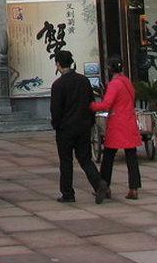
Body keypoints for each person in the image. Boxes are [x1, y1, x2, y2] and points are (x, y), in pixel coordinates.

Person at [49, 50, 106, 204]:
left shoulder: (58, 85)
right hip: (83, 126)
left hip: (65, 129)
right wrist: (91, 122)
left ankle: (68, 193)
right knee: (85, 158)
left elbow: (55, 110)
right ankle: (99, 183)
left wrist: (56, 125)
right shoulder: (83, 81)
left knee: (66, 161)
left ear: (58, 64)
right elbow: (91, 102)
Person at [91, 57, 142, 200]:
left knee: (108, 157)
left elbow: (106, 104)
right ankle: (134, 188)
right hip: (130, 121)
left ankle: (104, 186)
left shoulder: (114, 84)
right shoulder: (127, 82)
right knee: (131, 157)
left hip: (117, 123)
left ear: (110, 69)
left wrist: (92, 106)